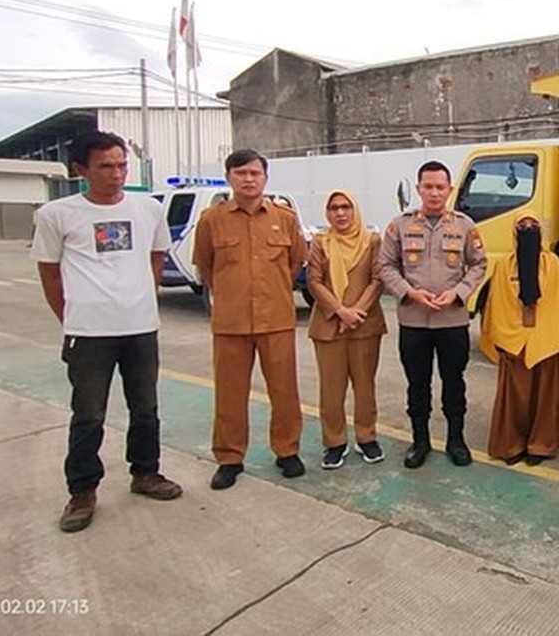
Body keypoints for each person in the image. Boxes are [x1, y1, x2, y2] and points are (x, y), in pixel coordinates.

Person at [32, 130, 182, 533]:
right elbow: (48, 271)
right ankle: (82, 491)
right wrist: (71, 315)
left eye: (121, 165)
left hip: (140, 329)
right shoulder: (57, 215)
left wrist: (141, 299)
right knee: (88, 414)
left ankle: (146, 473)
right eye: (105, 166)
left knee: (146, 408)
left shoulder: (147, 209)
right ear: (81, 170)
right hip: (88, 334)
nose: (116, 174)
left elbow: (156, 256)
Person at [193, 149, 308, 490]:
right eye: (240, 173)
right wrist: (234, 294)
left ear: (265, 178)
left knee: (285, 390)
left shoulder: (285, 217)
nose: (248, 179)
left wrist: (271, 291)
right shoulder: (212, 219)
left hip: (276, 319)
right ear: (229, 177)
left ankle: (287, 451)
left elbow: (295, 263)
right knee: (230, 394)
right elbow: (207, 268)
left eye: (254, 173)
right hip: (231, 322)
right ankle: (229, 458)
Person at [378, 160, 487, 469]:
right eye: (428, 186)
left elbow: (479, 263)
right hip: (413, 321)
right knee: (417, 384)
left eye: (440, 187)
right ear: (419, 189)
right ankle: (420, 441)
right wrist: (410, 292)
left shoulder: (464, 226)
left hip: (452, 321)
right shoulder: (399, 225)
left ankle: (456, 440)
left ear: (450, 189)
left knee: (454, 382)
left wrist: (459, 292)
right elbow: (385, 266)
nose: (434, 193)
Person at [480, 212, 559, 465]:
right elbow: (498, 304)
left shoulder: (552, 263)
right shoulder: (504, 265)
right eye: (522, 226)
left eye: (533, 225)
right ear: (514, 232)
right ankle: (512, 445)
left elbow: (557, 304)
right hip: (513, 340)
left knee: (544, 398)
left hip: (545, 340)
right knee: (514, 398)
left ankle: (541, 445)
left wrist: (546, 337)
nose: (528, 229)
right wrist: (506, 338)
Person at [306, 190, 387, 469]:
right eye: (333, 208)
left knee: (365, 387)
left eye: (345, 207)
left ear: (355, 210)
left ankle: (367, 437)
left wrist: (355, 314)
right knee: (331, 389)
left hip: (365, 326)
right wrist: (340, 311)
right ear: (327, 213)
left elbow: (378, 280)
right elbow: (314, 281)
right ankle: (335, 442)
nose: (340, 213)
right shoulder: (320, 242)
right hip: (329, 326)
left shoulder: (372, 241)